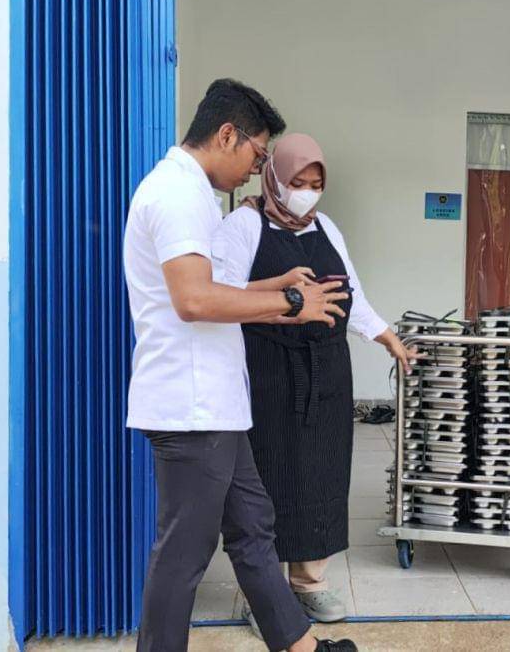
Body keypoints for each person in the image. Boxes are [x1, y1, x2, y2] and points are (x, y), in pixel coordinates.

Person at [123, 78, 357, 652]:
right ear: (226, 135)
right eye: (257, 152)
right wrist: (291, 302)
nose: (257, 168)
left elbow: (210, 290)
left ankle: (301, 647)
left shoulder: (195, 195)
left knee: (253, 530)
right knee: (183, 555)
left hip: (219, 404)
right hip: (192, 407)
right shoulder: (177, 195)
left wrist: (272, 286)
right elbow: (194, 300)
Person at [212, 133, 415, 624]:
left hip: (327, 372)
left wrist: (388, 338)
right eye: (297, 182)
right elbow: (222, 293)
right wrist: (283, 298)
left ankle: (309, 584)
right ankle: (263, 595)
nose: (306, 193)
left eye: (315, 184)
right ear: (275, 178)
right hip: (269, 370)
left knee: (322, 475)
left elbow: (352, 295)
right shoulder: (243, 226)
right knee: (270, 479)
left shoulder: (327, 227)